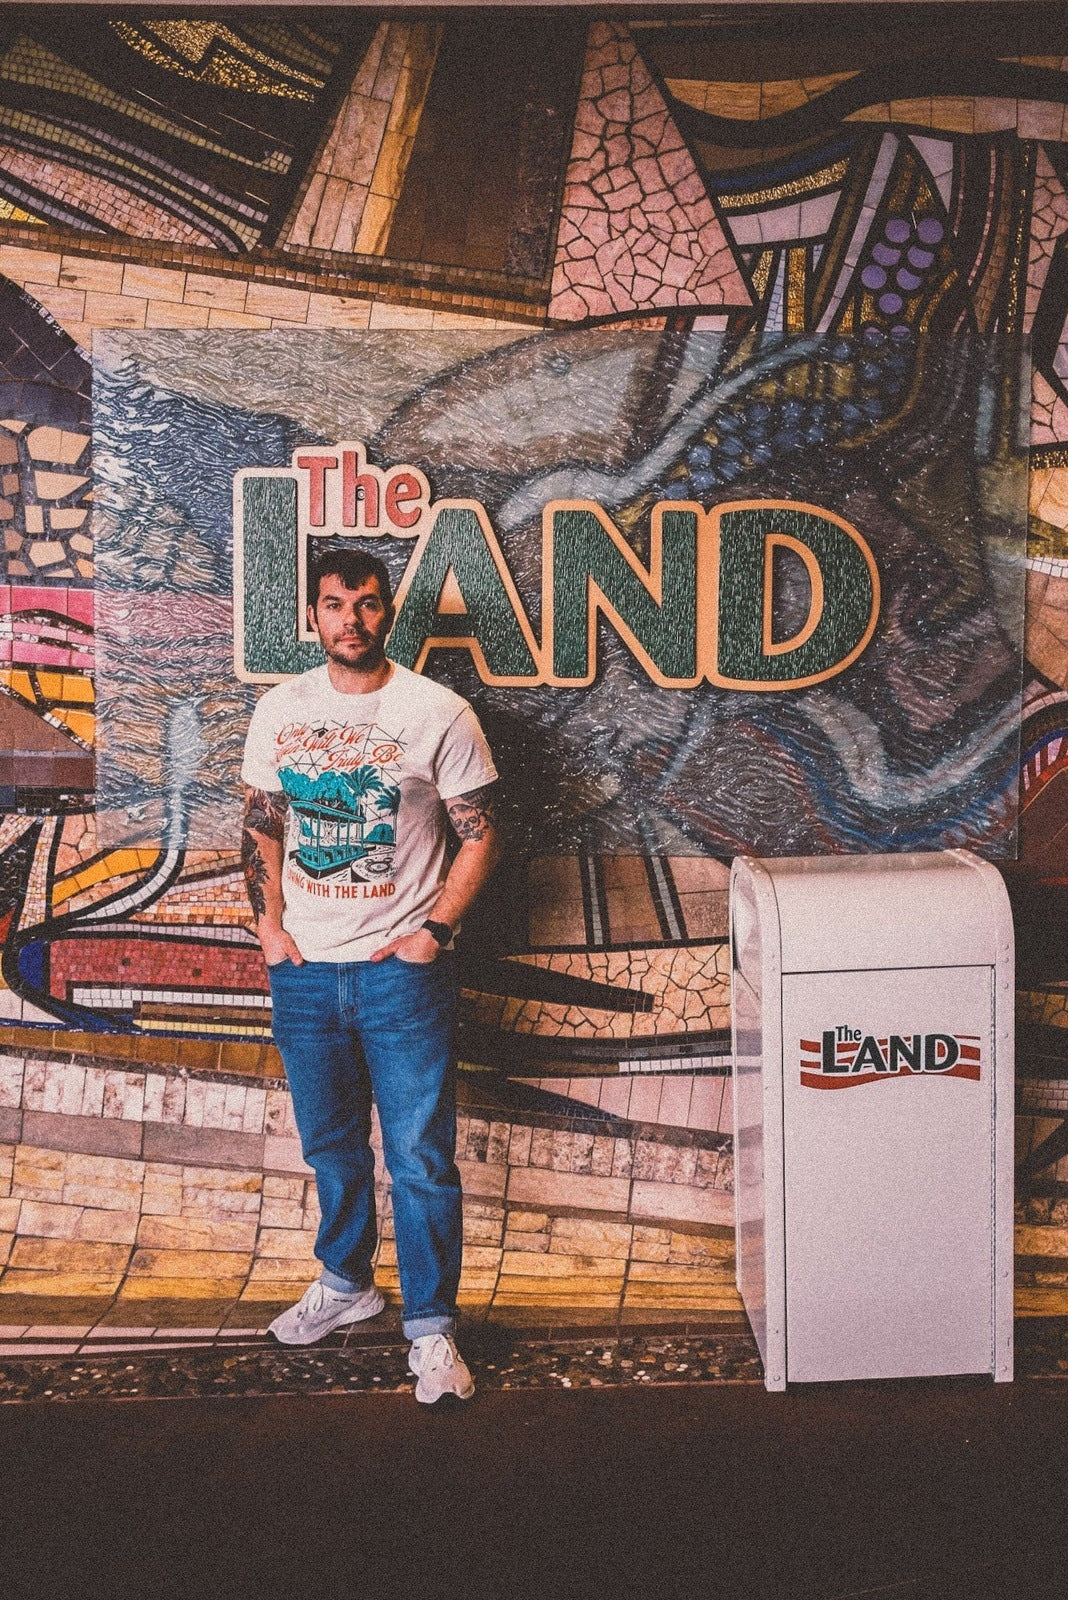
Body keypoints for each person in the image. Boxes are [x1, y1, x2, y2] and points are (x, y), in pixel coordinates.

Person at [240, 547, 500, 1403]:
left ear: (388, 611)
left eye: (365, 604)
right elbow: (262, 823)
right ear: (313, 616)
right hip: (306, 973)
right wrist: (269, 927)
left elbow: (480, 834)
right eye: (333, 604)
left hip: (402, 975)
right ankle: (347, 1284)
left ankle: (431, 1328)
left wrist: (434, 932)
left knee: (419, 1156)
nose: (349, 620)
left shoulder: (438, 711)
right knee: (330, 1146)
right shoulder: (281, 709)